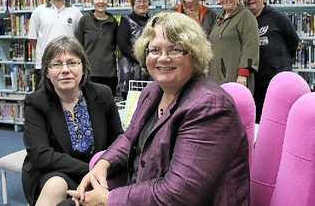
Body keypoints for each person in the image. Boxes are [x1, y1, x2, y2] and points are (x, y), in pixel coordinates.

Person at [68, 12, 250, 205]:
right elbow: (130, 139)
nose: (163, 58)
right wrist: (103, 165)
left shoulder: (209, 107)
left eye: (175, 50)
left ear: (194, 54)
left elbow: (178, 195)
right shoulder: (153, 91)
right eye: (154, 50)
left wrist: (108, 199)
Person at [21, 36, 123, 206]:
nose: (65, 70)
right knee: (56, 185)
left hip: (98, 171)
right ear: (47, 71)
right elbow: (41, 155)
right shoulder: (36, 102)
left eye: (72, 62)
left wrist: (102, 169)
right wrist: (90, 170)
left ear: (83, 67)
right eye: (56, 64)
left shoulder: (102, 94)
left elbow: (118, 140)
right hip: (54, 172)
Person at [243, 0, 300, 123]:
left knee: (280, 120)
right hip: (256, 84)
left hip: (278, 82)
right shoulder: (246, 21)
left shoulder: (277, 17)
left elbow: (293, 41)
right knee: (259, 122)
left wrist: (282, 63)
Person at [28, 0, 83, 89]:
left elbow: (80, 40)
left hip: (68, 67)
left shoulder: (76, 13)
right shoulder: (38, 12)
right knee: (43, 101)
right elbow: (33, 40)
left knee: (67, 98)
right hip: (44, 66)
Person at [209, 0, 259, 92]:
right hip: (216, 79)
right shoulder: (219, 18)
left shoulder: (246, 16)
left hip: (236, 79)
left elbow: (251, 46)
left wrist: (243, 73)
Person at [76, 0, 118, 96]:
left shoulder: (113, 22)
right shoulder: (84, 21)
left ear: (108, 1)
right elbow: (77, 48)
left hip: (109, 74)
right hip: (89, 74)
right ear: (92, 0)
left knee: (107, 107)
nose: (101, 1)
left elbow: (115, 47)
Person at [117, 0, 151, 100]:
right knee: (130, 105)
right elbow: (123, 45)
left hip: (148, 70)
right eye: (139, 1)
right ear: (133, 4)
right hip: (130, 71)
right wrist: (140, 59)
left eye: (145, 1)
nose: (142, 4)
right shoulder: (125, 20)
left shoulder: (152, 21)